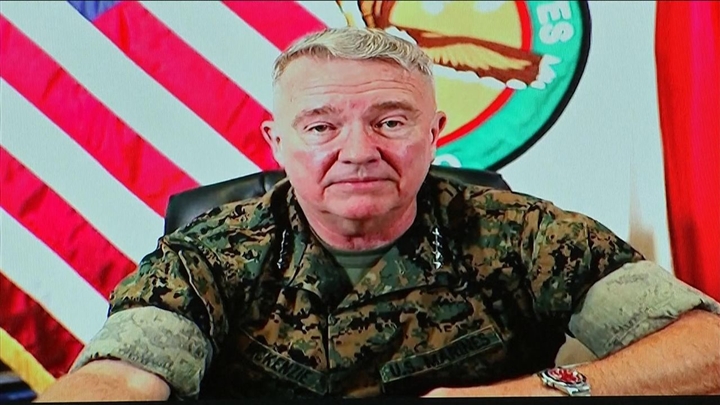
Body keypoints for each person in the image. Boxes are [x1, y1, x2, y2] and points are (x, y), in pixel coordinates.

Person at [36, 27, 719, 401]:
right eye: (321, 126)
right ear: (277, 144)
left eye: (391, 121)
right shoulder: (206, 255)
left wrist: (539, 393)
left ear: (435, 134)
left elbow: (707, 348)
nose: (359, 151)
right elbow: (118, 378)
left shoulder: (527, 236)